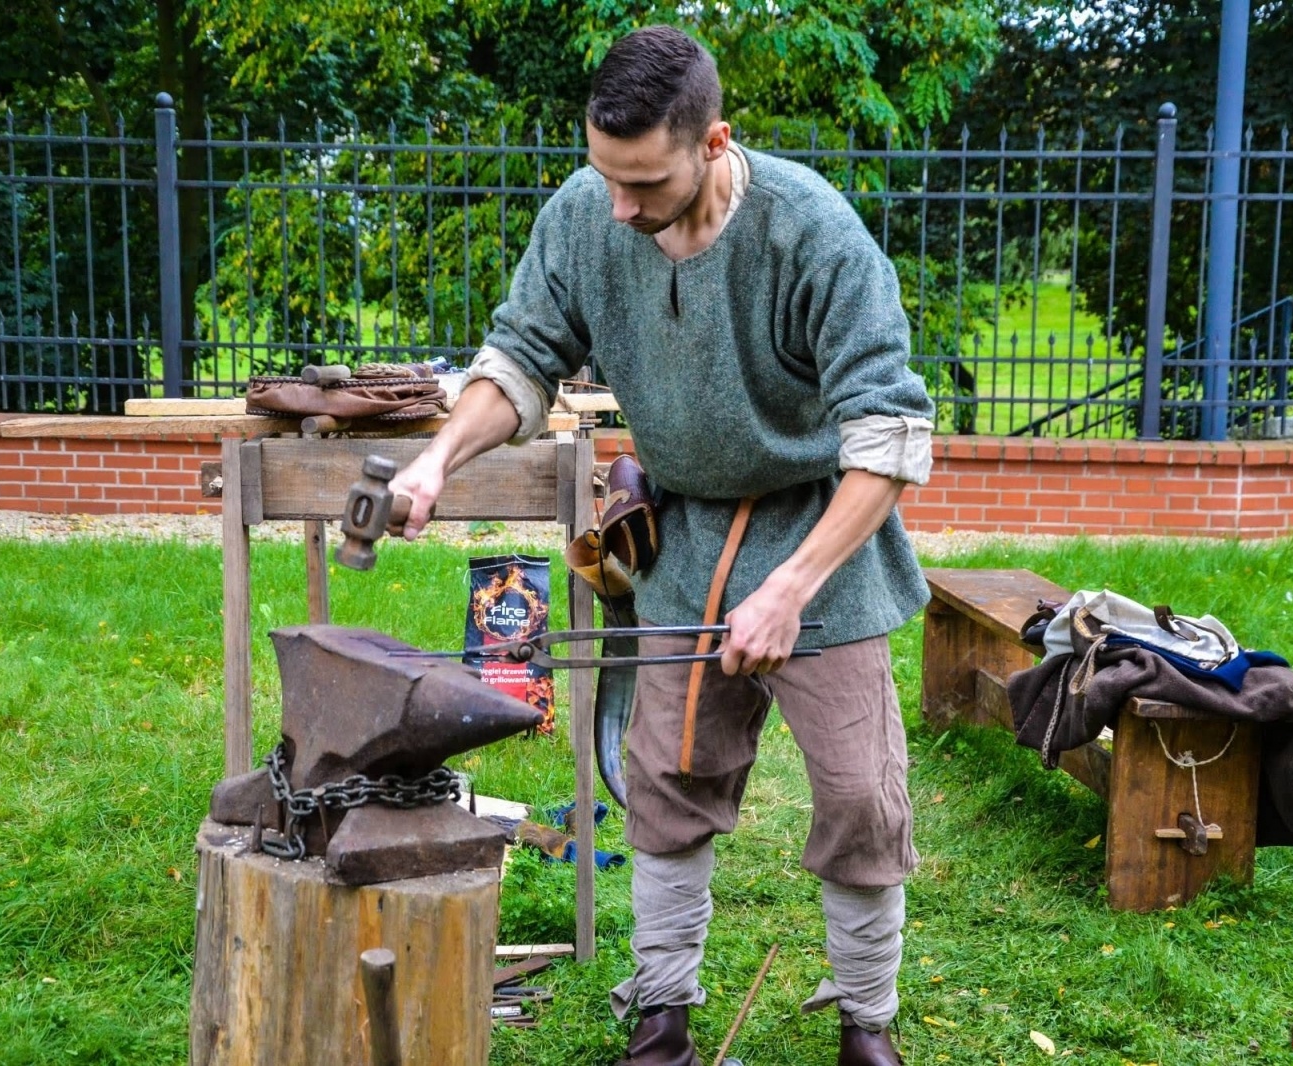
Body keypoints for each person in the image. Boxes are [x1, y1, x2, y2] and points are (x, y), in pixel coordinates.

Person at [388, 25, 935, 1066]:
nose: (620, 207)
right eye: (605, 175)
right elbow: (520, 354)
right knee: (665, 781)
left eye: (643, 182)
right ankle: (663, 1013)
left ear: (713, 142)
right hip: (681, 535)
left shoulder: (810, 230)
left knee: (862, 792)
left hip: (822, 538)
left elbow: (891, 438)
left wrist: (791, 587)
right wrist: (439, 458)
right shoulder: (590, 216)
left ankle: (866, 1026)